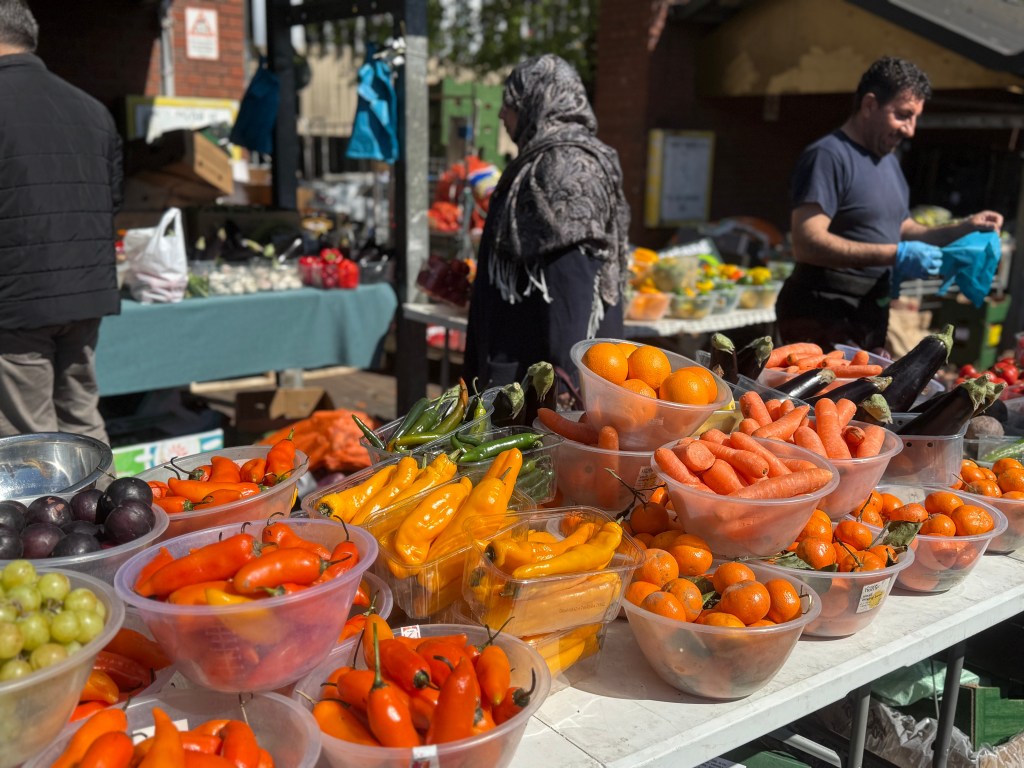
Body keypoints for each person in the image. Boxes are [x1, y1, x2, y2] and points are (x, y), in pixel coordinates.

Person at [775, 56, 1003, 351]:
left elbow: (904, 228)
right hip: (822, 311)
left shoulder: (888, 160)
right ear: (869, 105)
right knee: (827, 398)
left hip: (868, 309)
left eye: (915, 117)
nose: (910, 129)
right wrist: (897, 255)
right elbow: (807, 243)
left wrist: (963, 228)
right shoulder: (828, 156)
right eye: (903, 115)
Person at [463, 54, 631, 388]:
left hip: (543, 385)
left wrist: (569, 389)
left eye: (509, 103)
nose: (501, 113)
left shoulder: (565, 167)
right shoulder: (543, 158)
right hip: (527, 370)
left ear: (535, 103)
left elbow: (573, 286)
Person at [0, 0, 122, 442]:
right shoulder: (92, 109)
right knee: (83, 421)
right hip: (85, 293)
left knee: (28, 439)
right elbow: (114, 199)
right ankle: (114, 509)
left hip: (16, 300)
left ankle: (54, 513)